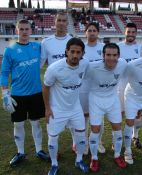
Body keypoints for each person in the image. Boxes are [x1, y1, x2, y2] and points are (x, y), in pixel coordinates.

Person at [0, 19, 49, 167]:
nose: (24, 32)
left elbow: (51, 50)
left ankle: (39, 150)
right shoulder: (10, 50)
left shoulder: (37, 47)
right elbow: (4, 73)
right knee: (18, 125)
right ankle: (20, 152)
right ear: (17, 31)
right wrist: (5, 94)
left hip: (36, 93)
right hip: (18, 95)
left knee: (36, 123)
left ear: (31, 30)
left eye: (27, 29)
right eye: (21, 29)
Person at [43, 38, 89, 175]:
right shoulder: (54, 68)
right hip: (57, 109)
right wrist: (47, 108)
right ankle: (54, 164)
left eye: (78, 52)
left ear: (82, 53)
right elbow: (45, 87)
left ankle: (79, 159)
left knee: (81, 135)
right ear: (66, 52)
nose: (75, 55)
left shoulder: (85, 64)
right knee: (53, 138)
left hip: (75, 108)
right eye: (72, 52)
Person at [87, 43, 127, 172]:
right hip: (96, 100)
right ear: (103, 55)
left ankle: (117, 155)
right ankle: (94, 157)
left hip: (112, 99)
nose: (111, 58)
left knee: (117, 127)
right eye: (108, 55)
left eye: (114, 55)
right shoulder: (92, 67)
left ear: (119, 56)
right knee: (95, 129)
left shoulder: (122, 64)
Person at [40, 12, 77, 152]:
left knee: (74, 117)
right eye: (59, 21)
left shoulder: (72, 40)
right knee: (55, 118)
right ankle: (55, 147)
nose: (61, 23)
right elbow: (40, 63)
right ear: (54, 23)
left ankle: (75, 143)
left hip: (71, 87)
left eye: (64, 21)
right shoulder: (46, 42)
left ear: (67, 23)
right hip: (54, 88)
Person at [118, 22, 142, 149]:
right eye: (128, 32)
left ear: (136, 33)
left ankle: (135, 136)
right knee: (119, 114)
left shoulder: (141, 48)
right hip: (120, 85)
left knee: (137, 114)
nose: (131, 34)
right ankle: (117, 139)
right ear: (124, 32)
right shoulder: (118, 47)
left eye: (133, 32)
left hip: (136, 87)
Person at [80, 22, 105, 155]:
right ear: (86, 32)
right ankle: (84, 143)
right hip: (83, 87)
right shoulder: (81, 47)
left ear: (98, 32)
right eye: (89, 30)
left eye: (94, 30)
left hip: (98, 88)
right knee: (84, 117)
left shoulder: (103, 47)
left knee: (99, 118)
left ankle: (99, 141)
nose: (92, 32)